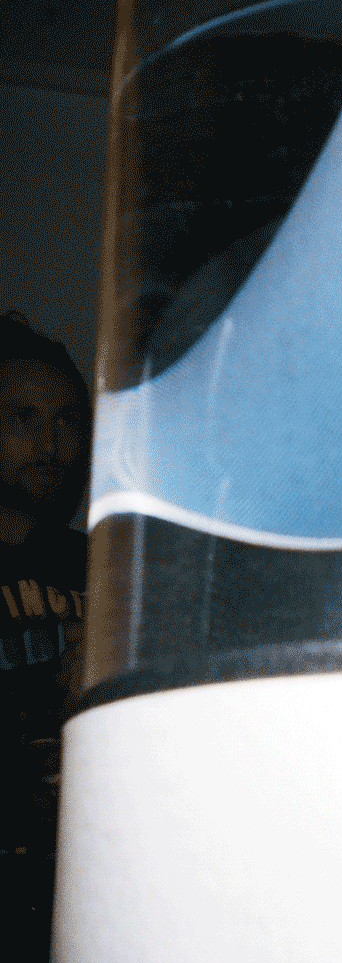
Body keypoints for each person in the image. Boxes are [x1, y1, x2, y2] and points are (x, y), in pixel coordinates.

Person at [0, 311, 91, 958]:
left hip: (88, 880)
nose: (50, 442)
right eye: (23, 418)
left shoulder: (113, 566)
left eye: (65, 420)